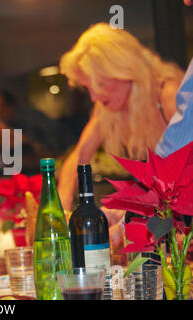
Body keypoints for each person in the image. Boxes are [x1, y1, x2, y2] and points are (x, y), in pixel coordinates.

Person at [57, 22, 184, 212]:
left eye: (99, 83)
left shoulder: (168, 96)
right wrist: (60, 212)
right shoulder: (106, 107)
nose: (94, 96)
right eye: (88, 87)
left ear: (123, 69)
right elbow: (79, 157)